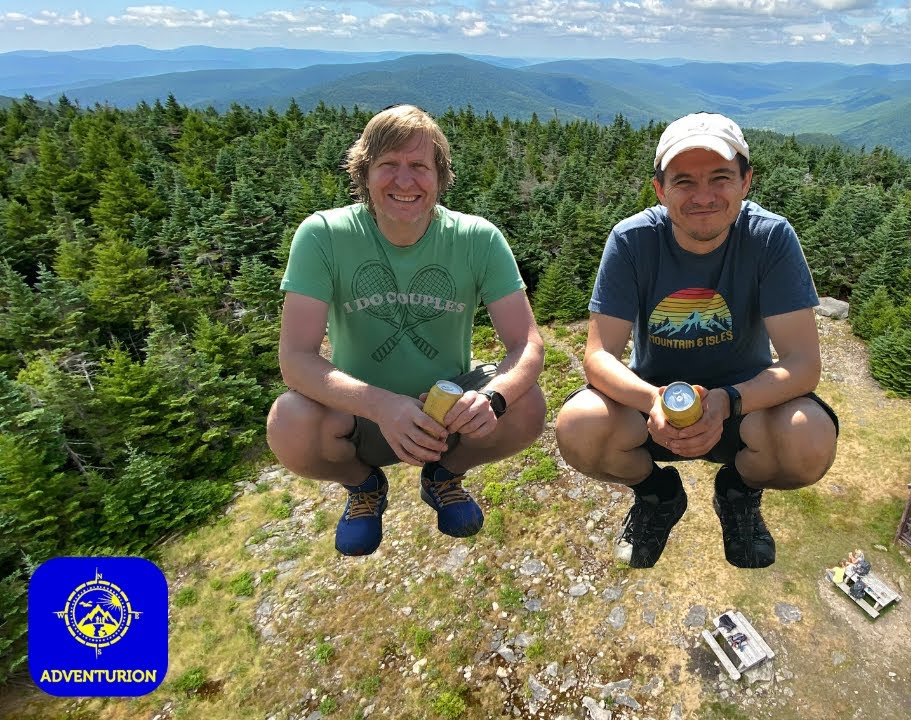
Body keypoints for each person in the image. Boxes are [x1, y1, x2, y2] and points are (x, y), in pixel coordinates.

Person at [555, 112, 839, 570]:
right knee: (578, 429)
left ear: (746, 182)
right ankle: (658, 496)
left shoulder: (769, 238)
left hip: (745, 408)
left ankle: (738, 492)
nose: (703, 196)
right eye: (684, 181)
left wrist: (727, 401)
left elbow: (803, 363)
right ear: (660, 189)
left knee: (809, 442)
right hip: (653, 409)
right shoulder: (632, 241)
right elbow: (599, 355)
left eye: (721, 178)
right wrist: (653, 401)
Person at [267, 105, 545, 557]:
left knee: (527, 402)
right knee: (288, 423)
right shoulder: (323, 235)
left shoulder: (477, 239)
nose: (404, 181)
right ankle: (364, 486)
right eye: (388, 165)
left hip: (447, 410)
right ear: (364, 173)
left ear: (440, 176)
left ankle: (443, 476)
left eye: (419, 166)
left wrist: (492, 398)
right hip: (357, 411)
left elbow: (527, 344)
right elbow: (295, 359)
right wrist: (382, 405)